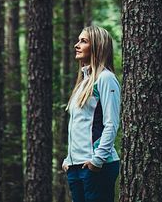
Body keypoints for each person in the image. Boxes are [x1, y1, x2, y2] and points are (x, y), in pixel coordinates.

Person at [62, 25, 121, 202]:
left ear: (97, 46)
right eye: (78, 40)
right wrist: (68, 159)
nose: (76, 45)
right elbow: (79, 125)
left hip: (97, 166)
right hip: (76, 167)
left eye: (83, 41)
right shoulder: (83, 83)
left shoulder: (106, 78)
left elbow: (111, 123)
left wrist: (98, 160)